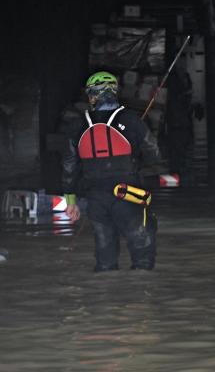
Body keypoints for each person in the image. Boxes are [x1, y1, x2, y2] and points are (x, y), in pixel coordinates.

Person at [63, 71, 164, 271]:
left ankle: (106, 294)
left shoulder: (77, 125)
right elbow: (155, 154)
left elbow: (69, 166)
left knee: (105, 255)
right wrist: (134, 160)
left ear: (92, 95)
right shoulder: (132, 120)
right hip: (128, 194)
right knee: (142, 249)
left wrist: (71, 201)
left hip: (96, 199)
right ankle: (142, 294)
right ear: (114, 92)